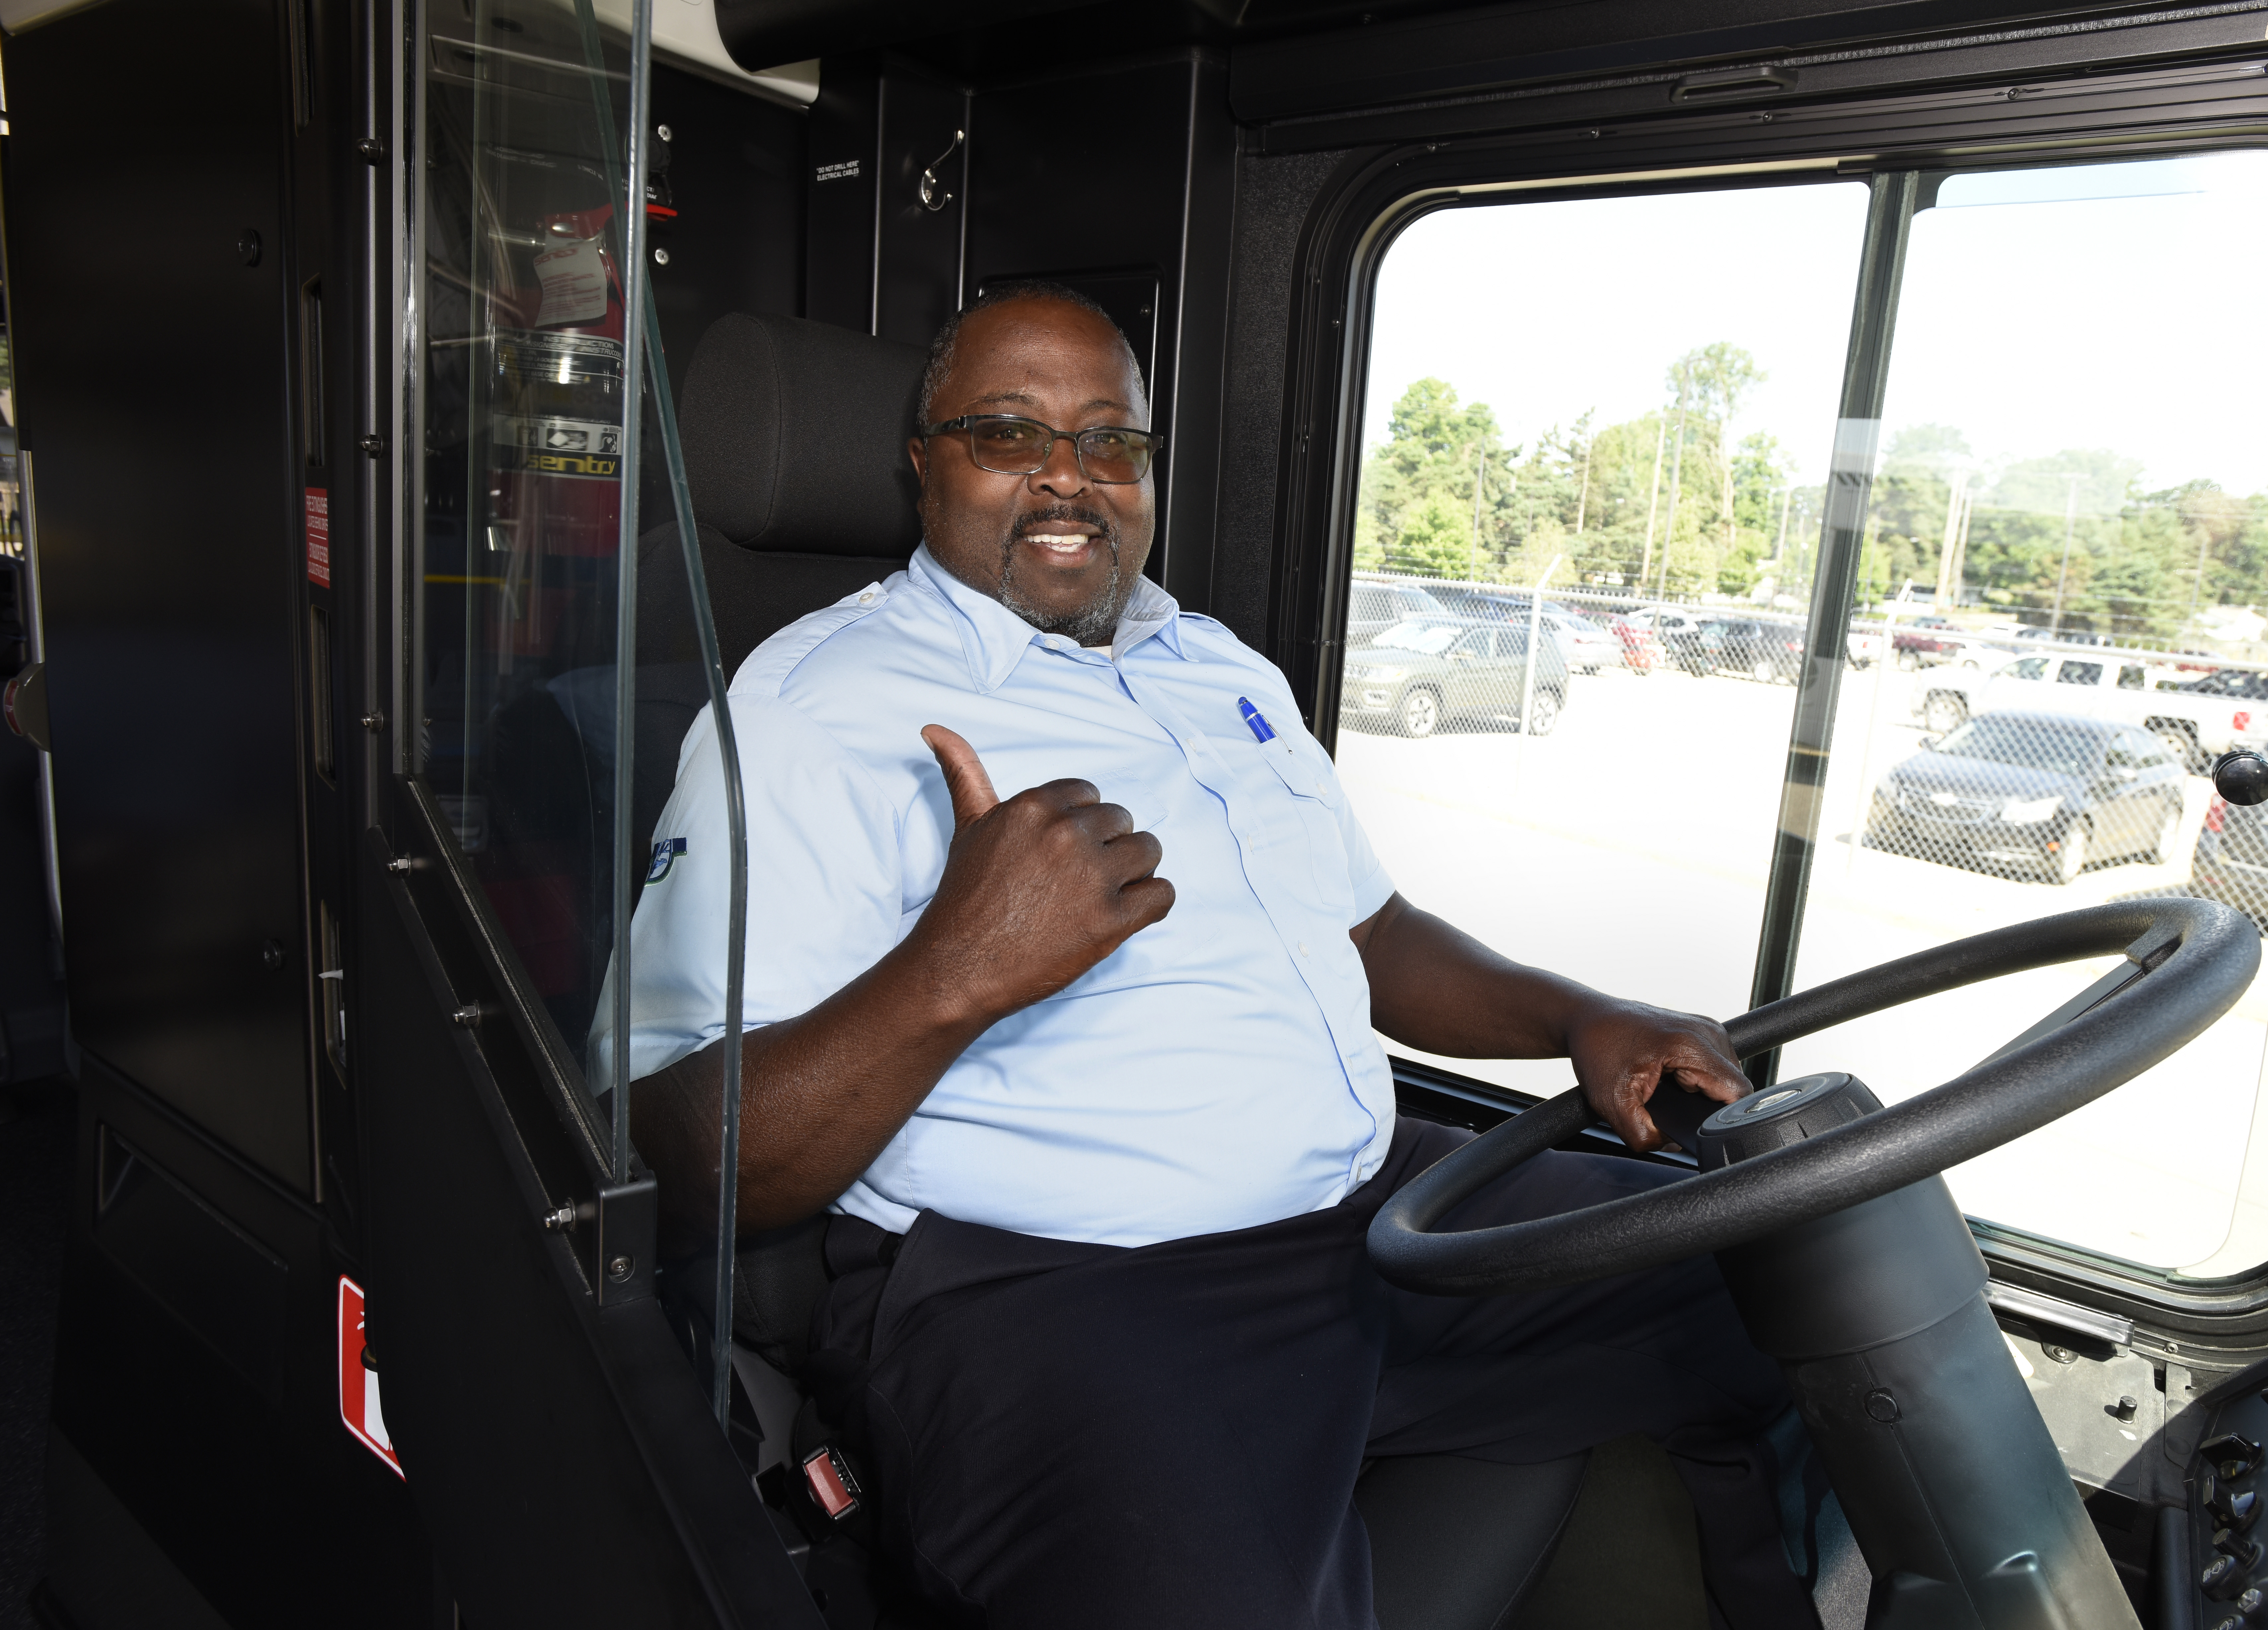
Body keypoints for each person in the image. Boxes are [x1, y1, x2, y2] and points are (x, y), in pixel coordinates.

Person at [612, 283, 1834, 1629]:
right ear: (924, 464)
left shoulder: (1216, 666)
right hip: (1081, 1287)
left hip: (1378, 1208)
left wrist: (1576, 1014)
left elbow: (1370, 934)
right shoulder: (806, 710)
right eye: (1007, 432)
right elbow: (669, 1151)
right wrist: (955, 968)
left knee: (1793, 1288)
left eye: (1110, 440)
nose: (1068, 476)